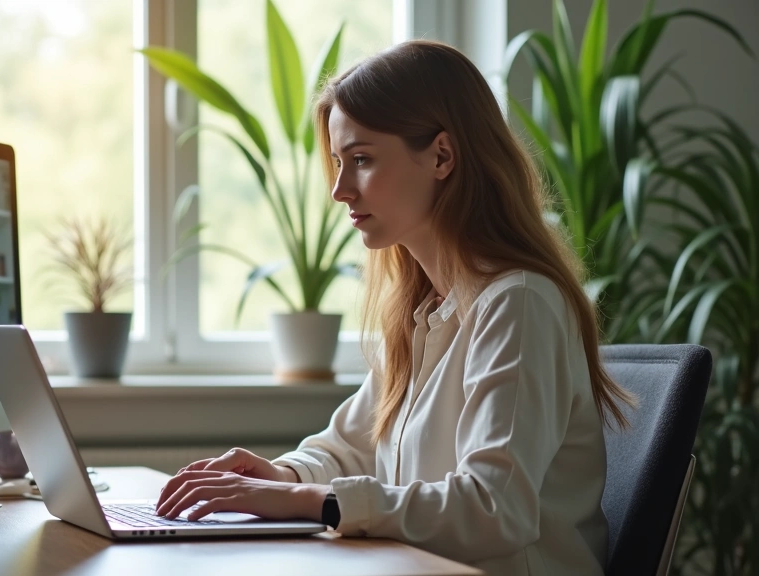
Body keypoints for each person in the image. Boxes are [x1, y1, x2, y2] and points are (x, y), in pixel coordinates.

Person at [154, 40, 635, 575]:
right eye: (339, 163)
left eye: (361, 160)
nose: (339, 190)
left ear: (442, 156)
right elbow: (351, 448)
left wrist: (307, 502)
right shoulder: (425, 312)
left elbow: (496, 508)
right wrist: (281, 477)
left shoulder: (517, 304)